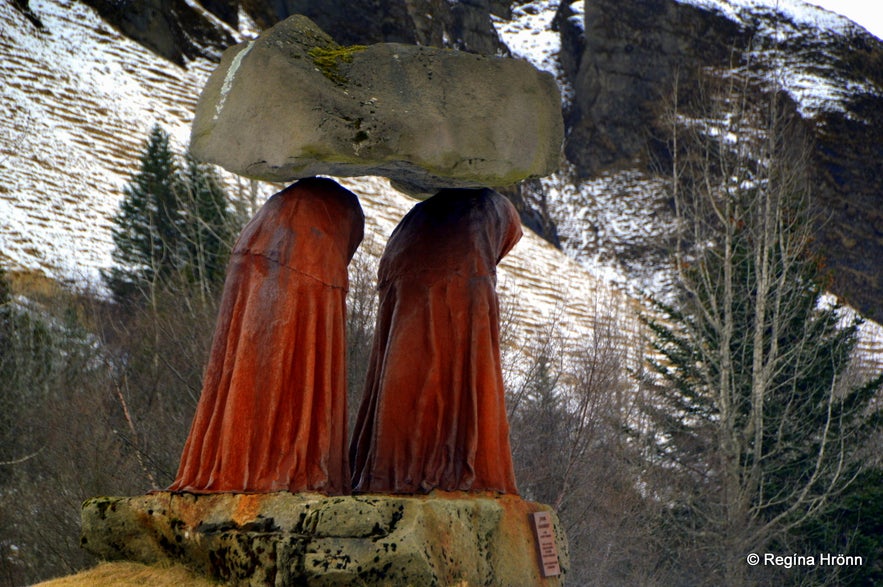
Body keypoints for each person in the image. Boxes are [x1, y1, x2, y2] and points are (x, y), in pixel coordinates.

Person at [170, 177, 364, 495]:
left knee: (242, 365)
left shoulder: (275, 215)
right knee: (278, 367)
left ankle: (234, 459)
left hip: (270, 244)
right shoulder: (322, 231)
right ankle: (271, 464)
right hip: (311, 252)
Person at [350, 187, 521, 494]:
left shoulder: (414, 225)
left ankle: (395, 468)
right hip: (459, 276)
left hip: (410, 288)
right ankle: (433, 470)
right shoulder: (475, 243)